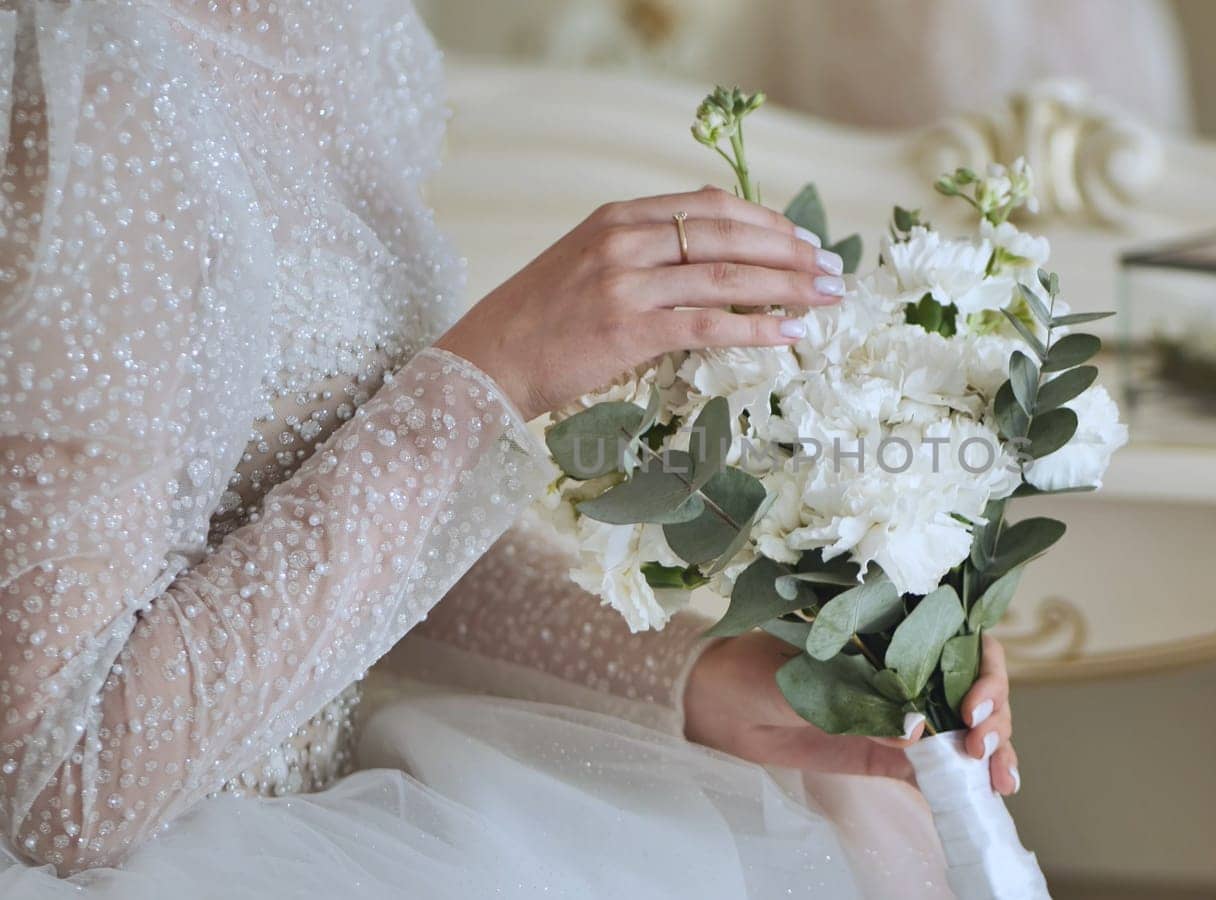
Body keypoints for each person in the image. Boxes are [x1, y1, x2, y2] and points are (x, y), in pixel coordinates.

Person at [0, 3, 1018, 897]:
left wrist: (692, 677)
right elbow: (62, 786)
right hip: (157, 862)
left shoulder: (340, 32)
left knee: (847, 810)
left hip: (319, 818)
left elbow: (346, 562)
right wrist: (486, 378)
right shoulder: (84, 72)